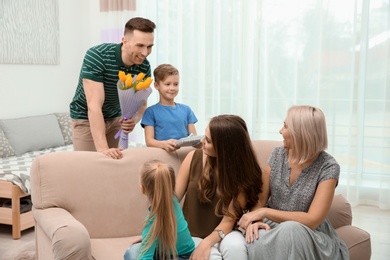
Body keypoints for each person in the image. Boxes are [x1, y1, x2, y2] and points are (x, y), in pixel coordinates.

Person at [237, 105, 350, 260]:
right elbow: (260, 199)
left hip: (309, 234)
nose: (280, 131)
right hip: (274, 225)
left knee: (290, 230)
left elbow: (312, 220)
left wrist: (264, 212)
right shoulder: (277, 155)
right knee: (256, 236)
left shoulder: (328, 167)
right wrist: (256, 219)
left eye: (285, 126)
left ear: (301, 133)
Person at [175, 114, 263, 259]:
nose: (202, 141)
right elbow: (172, 200)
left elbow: (228, 221)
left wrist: (206, 243)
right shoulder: (192, 158)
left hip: (225, 232)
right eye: (205, 135)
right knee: (212, 257)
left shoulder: (243, 173)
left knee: (236, 248)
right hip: (193, 233)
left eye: (208, 140)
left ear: (224, 148)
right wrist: (152, 232)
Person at [70, 17, 156, 159]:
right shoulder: (97, 56)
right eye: (140, 45)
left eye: (150, 46)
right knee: (88, 167)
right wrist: (103, 148)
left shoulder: (144, 66)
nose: (145, 52)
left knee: (114, 165)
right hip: (85, 117)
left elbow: (142, 105)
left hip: (115, 117)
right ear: (124, 41)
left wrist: (134, 120)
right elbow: (94, 106)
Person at [123, 160, 195, 260]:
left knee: (131, 252)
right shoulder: (173, 201)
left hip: (176, 256)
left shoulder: (153, 220)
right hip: (189, 252)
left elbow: (145, 257)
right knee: (135, 249)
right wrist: (147, 239)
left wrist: (148, 238)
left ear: (142, 188)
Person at [141, 64, 200, 152]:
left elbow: (194, 138)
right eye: (167, 84)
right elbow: (149, 141)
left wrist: (205, 142)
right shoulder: (150, 112)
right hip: (162, 156)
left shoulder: (186, 110)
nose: (172, 88)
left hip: (185, 154)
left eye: (176, 84)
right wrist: (164, 144)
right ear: (156, 85)